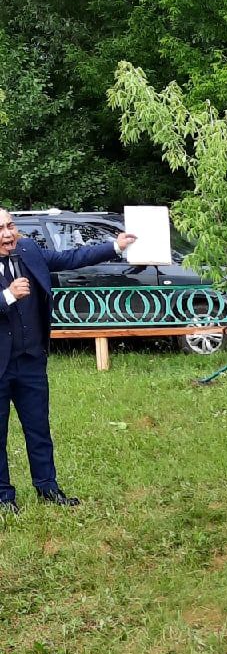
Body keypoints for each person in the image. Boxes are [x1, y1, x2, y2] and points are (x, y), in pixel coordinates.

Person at [0, 207, 136, 513]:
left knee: (39, 429)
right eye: (1, 229)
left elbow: (70, 258)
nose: (8, 233)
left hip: (31, 361)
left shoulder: (28, 249)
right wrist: (7, 295)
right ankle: (4, 497)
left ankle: (47, 488)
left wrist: (116, 245)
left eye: (10, 226)